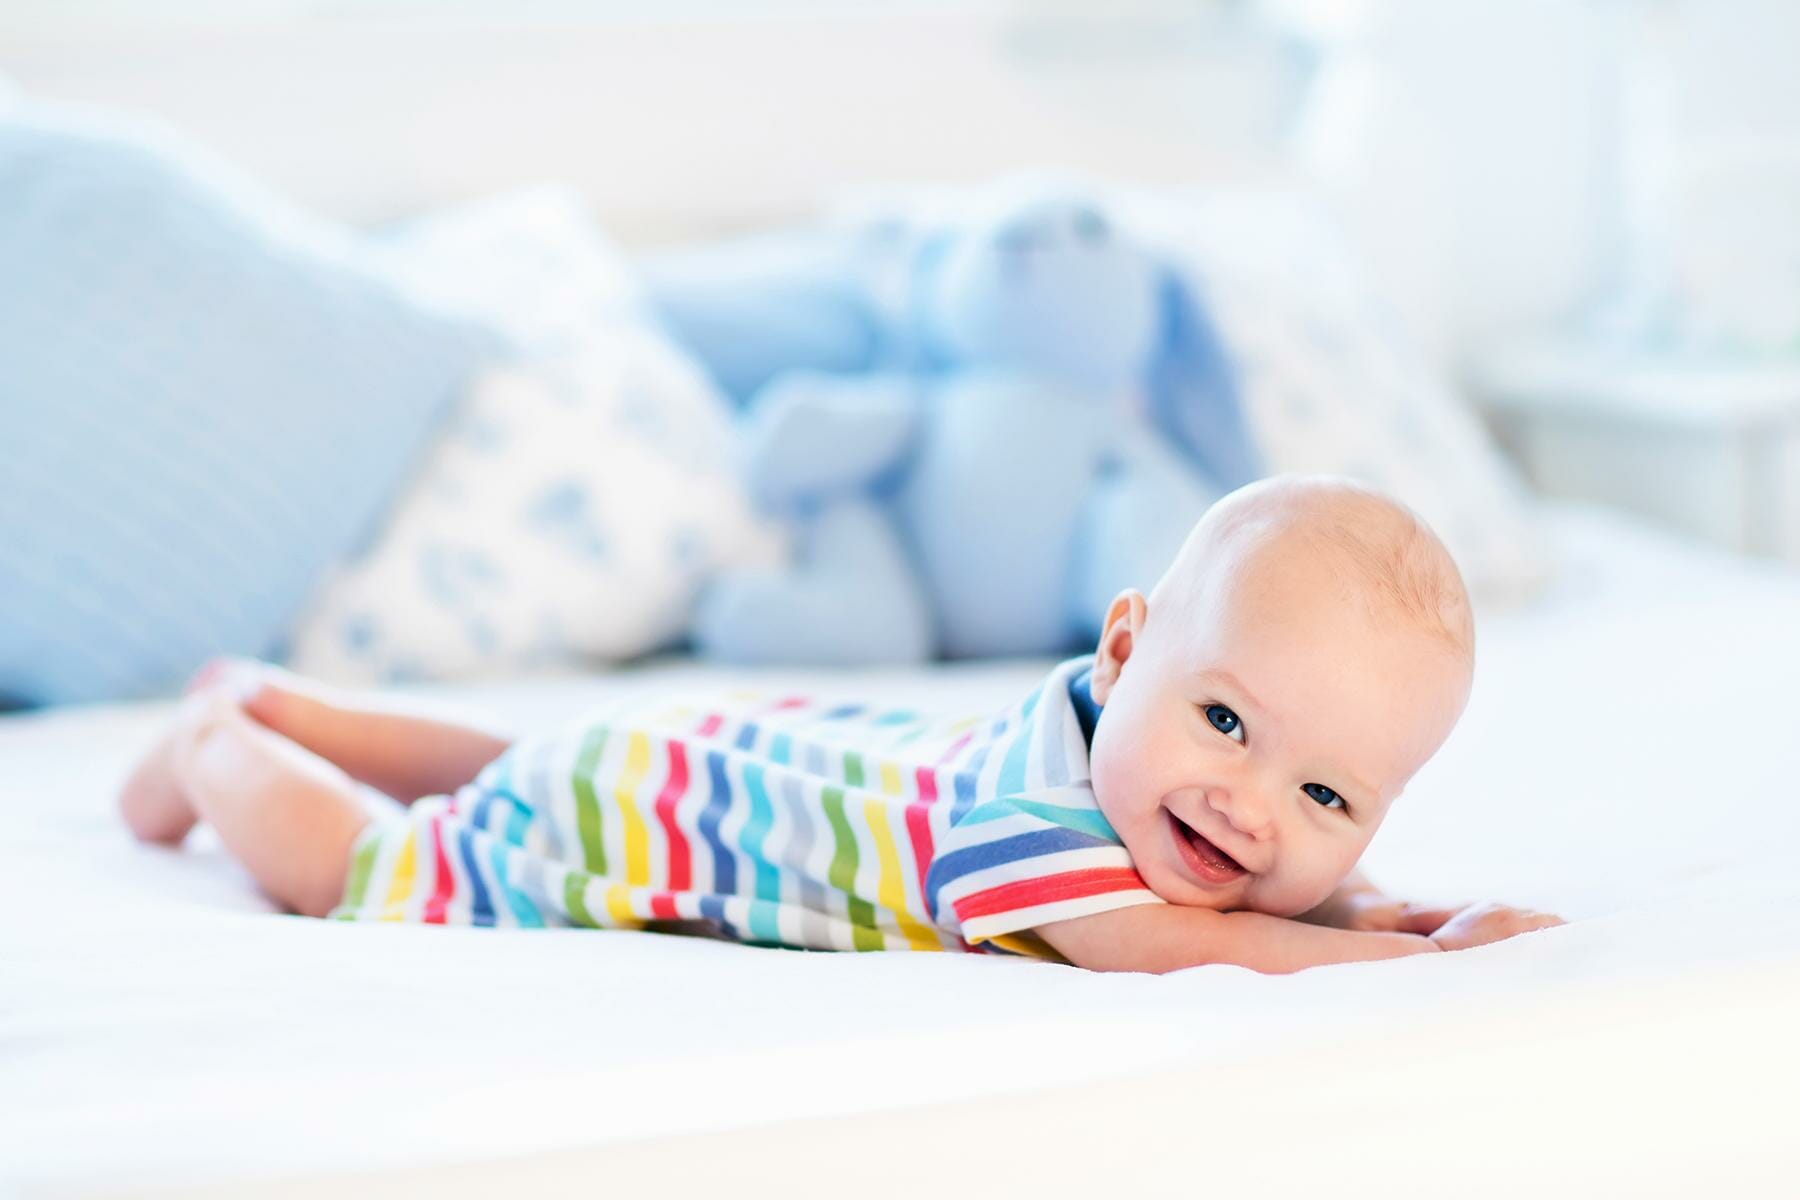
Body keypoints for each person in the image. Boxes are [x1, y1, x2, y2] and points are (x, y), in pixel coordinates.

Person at [119, 474, 1562, 973]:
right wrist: (1420, 965)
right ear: (1124, 649)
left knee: (510, 762)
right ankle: (221, 745)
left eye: (1330, 802)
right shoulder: (1035, 834)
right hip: (633, 822)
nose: (1252, 810)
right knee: (373, 867)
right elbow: (1199, 950)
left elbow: (1279, 904)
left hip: (684, 752)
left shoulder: (1099, 736)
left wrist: (1396, 910)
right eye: (1231, 721)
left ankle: (301, 707)